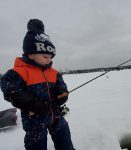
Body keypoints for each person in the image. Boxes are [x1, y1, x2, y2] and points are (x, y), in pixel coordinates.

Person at [0, 19, 75, 150]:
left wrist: (62, 93)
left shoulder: (54, 72)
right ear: (31, 54)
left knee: (65, 141)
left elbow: (60, 85)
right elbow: (11, 91)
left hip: (56, 115)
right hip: (34, 121)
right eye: (45, 57)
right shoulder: (18, 72)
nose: (49, 60)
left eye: (51, 57)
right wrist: (34, 105)